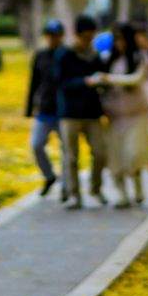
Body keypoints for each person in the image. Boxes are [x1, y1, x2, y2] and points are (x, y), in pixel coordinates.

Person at [92, 21, 148, 207]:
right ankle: (122, 194)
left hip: (136, 115)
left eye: (122, 39)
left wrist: (109, 79)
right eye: (116, 39)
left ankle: (138, 189)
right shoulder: (108, 60)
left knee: (133, 154)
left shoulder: (141, 58)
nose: (119, 43)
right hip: (114, 116)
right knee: (116, 158)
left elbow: (136, 79)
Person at [54, 13, 108, 210]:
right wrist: (85, 82)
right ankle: (74, 194)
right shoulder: (65, 54)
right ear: (78, 34)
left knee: (101, 152)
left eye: (91, 36)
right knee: (71, 157)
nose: (89, 40)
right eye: (86, 36)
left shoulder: (95, 55)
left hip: (92, 112)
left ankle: (96, 187)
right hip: (70, 113)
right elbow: (60, 82)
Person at [26, 19, 64, 197]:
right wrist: (29, 107)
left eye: (56, 35)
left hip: (64, 110)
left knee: (67, 150)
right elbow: (33, 82)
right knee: (36, 144)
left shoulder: (66, 55)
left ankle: (68, 186)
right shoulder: (40, 56)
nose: (53, 39)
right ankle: (49, 175)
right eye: (50, 35)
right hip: (45, 108)